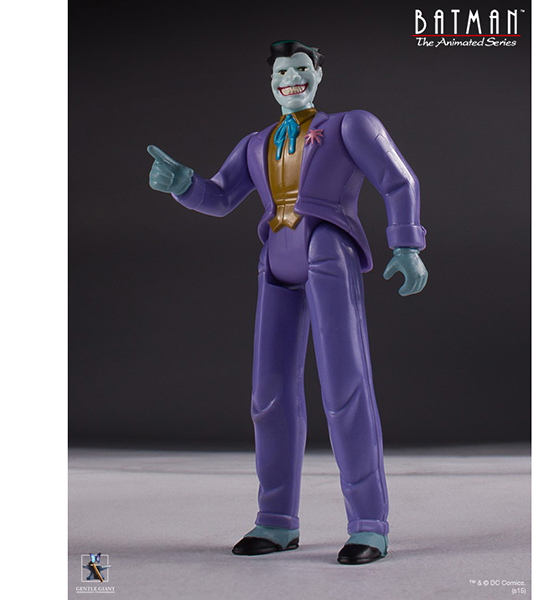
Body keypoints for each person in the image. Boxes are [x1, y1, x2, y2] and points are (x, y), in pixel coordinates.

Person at [148, 40, 428, 565]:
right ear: (271, 81)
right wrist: (183, 184)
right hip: (275, 256)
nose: (290, 78)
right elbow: (221, 197)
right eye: (281, 71)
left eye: (301, 68)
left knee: (345, 387)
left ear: (318, 74)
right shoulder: (256, 143)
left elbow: (398, 180)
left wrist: (407, 244)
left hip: (327, 249)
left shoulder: (351, 126)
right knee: (269, 394)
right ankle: (276, 519)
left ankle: (369, 523)